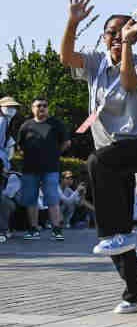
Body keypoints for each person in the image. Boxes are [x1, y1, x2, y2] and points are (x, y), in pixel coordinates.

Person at [60, 0, 137, 312]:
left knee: (97, 163)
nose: (117, 37)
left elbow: (129, 81)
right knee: (119, 233)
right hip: (112, 159)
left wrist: (130, 47)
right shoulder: (94, 62)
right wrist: (72, 21)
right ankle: (135, 289)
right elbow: (67, 57)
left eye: (124, 31)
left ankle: (110, 233)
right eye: (112, 33)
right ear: (104, 37)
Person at [16, 98, 71, 241]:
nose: (42, 108)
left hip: (50, 169)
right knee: (31, 200)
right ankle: (33, 230)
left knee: (53, 199)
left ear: (48, 108)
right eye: (38, 105)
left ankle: (57, 230)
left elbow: (66, 143)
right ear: (32, 108)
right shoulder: (26, 125)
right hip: (29, 169)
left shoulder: (56, 124)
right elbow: (19, 147)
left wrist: (54, 154)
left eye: (45, 106)